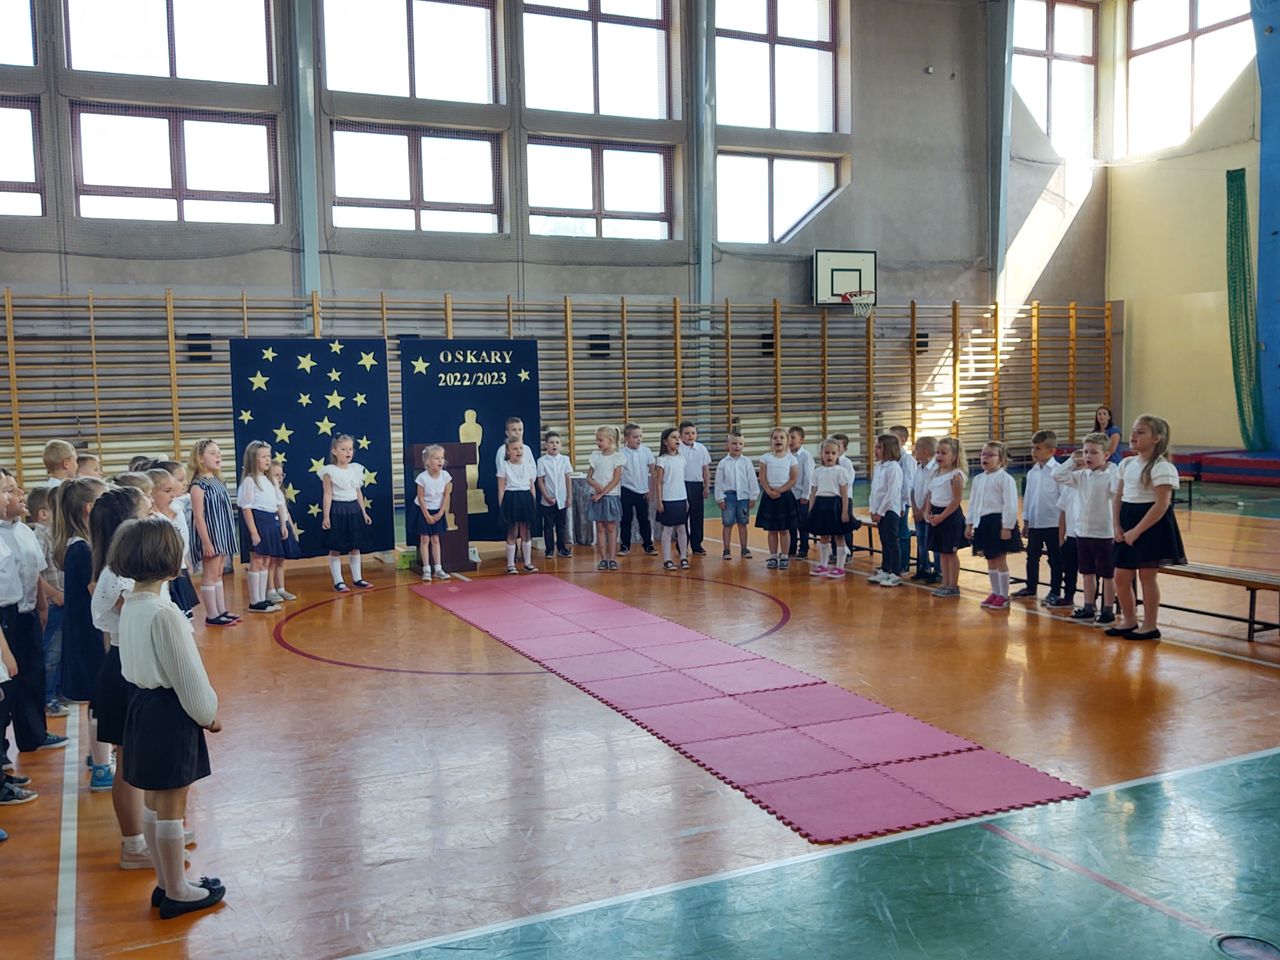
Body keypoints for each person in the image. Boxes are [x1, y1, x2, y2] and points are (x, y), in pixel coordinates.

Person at [113, 517, 225, 920]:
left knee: (154, 800)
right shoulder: (165, 613)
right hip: (168, 712)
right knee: (173, 803)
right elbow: (187, 676)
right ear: (168, 559)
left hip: (141, 706)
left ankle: (165, 882)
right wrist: (207, 714)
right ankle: (178, 890)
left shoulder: (131, 605)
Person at [89, 486, 160, 868]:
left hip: (134, 663)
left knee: (143, 755)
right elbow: (139, 620)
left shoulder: (126, 568)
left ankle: (154, 829)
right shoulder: (118, 575)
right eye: (146, 510)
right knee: (129, 760)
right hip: (127, 667)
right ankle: (133, 844)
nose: (154, 513)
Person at [52, 477, 113, 786]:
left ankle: (97, 754)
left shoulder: (80, 546)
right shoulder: (82, 549)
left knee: (97, 700)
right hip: (90, 635)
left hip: (86, 631)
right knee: (100, 700)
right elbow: (97, 591)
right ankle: (102, 768)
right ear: (91, 508)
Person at [0, 473, 65, 757]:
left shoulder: (25, 531)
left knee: (32, 674)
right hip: (6, 615)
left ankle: (33, 734)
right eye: (9, 491)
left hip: (27, 612)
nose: (18, 495)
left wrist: (42, 605)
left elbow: (36, 573)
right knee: (7, 681)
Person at [1109, 415, 1186, 641]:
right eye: (1133, 431)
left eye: (1141, 432)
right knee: (1121, 577)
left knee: (1146, 576)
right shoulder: (1126, 464)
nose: (1133, 435)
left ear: (1156, 438)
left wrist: (1137, 531)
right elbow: (1118, 497)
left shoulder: (1162, 467)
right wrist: (1116, 525)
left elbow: (1161, 505)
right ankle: (1129, 619)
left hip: (1151, 525)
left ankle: (1150, 625)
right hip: (1127, 520)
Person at [1055, 432, 1119, 626]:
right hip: (1083, 532)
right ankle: (1088, 607)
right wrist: (1072, 460)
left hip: (1104, 533)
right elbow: (1056, 475)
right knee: (1087, 572)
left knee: (1107, 574)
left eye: (1094, 452)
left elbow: (1118, 488)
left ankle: (1108, 609)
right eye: (1085, 452)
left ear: (1106, 455)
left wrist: (1111, 467)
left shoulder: (1110, 475)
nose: (1088, 456)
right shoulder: (1081, 476)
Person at [187, 440, 241, 623]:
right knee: (210, 574)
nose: (218, 456)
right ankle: (212, 615)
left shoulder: (218, 481)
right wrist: (206, 542)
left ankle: (221, 610)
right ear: (200, 459)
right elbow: (198, 516)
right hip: (211, 535)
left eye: (219, 452)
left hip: (222, 533)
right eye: (212, 453)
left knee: (218, 573)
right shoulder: (198, 485)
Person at [966, 441, 1022, 610]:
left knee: (999, 559)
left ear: (1001, 459)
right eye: (983, 454)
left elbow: (1010, 504)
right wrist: (970, 524)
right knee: (990, 559)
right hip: (983, 523)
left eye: (991, 455)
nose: (986, 458)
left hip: (998, 522)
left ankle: (1004, 595)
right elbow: (973, 503)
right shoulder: (978, 479)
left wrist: (1007, 526)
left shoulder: (1005, 479)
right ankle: (995, 592)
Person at [27, 486, 68, 716]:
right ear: (43, 514)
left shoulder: (54, 534)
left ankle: (57, 691)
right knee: (50, 653)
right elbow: (36, 574)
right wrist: (54, 594)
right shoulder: (40, 537)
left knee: (59, 651)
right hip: (52, 604)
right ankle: (47, 697)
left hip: (60, 603)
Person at [1013, 430, 1063, 604]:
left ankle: (1055, 590)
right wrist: (1026, 521)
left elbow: (1063, 500)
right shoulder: (1032, 472)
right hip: (1035, 522)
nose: (1033, 451)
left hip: (1053, 523)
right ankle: (1030, 587)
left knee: (1055, 559)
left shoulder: (1058, 471)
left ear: (1051, 451)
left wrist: (1063, 526)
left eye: (1038, 448)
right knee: (1032, 556)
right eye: (1032, 448)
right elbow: (1028, 498)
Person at [319, 434, 374, 592]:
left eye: (350, 449)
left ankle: (357, 578)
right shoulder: (329, 471)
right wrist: (326, 516)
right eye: (343, 449)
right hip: (338, 510)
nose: (348, 452)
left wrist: (363, 512)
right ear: (334, 451)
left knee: (355, 546)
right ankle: (338, 581)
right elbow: (327, 494)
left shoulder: (356, 469)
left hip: (354, 510)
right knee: (335, 546)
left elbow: (358, 493)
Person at [237, 441, 285, 613]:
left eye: (269, 456)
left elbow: (278, 503)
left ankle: (263, 599)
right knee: (257, 561)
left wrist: (282, 524)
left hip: (270, 522)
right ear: (253, 459)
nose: (267, 460)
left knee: (266, 561)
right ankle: (254, 601)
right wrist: (253, 532)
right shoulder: (250, 481)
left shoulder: (269, 480)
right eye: (263, 456)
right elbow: (246, 508)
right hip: (258, 522)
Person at [147, 468, 199, 617]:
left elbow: (182, 538)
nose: (172, 495)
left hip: (179, 566)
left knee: (186, 614)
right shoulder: (153, 519)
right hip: (167, 572)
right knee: (176, 614)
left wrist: (185, 559)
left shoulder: (173, 510)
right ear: (152, 493)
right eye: (167, 491)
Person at [923, 437, 968, 598]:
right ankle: (945, 583)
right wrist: (927, 513)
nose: (939, 456)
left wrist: (941, 517)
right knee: (942, 552)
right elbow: (930, 495)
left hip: (950, 516)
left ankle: (952, 585)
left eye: (943, 453)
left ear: (954, 456)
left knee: (950, 553)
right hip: (936, 515)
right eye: (937, 452)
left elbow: (956, 500)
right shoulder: (935, 473)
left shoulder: (956, 475)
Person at [805, 438, 853, 579]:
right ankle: (823, 565)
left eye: (833, 453)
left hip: (835, 505)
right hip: (821, 505)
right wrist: (811, 510)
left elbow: (844, 494)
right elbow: (813, 492)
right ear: (821, 454)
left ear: (838, 454)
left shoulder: (841, 471)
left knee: (838, 535)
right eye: (826, 453)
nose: (830, 456)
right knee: (824, 536)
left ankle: (840, 567)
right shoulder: (818, 471)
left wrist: (845, 511)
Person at [756, 428, 799, 569]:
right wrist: (769, 491)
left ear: (787, 441)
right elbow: (762, 477)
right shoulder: (765, 458)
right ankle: (773, 556)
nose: (778, 440)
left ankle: (785, 556)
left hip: (784, 497)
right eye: (775, 438)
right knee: (772, 530)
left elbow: (793, 479)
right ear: (771, 441)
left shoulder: (791, 459)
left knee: (785, 529)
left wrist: (779, 490)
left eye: (782, 437)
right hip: (769, 496)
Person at [714, 430, 759, 560]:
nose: (737, 446)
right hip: (728, 498)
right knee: (727, 524)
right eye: (734, 443)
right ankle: (726, 549)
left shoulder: (747, 462)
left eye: (740, 444)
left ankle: (744, 548)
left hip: (743, 498)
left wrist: (753, 496)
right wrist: (719, 498)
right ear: (728, 445)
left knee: (742, 523)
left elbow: (752, 479)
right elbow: (718, 482)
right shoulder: (723, 463)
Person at [868, 433, 905, 587]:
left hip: (889, 511)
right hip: (879, 510)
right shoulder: (879, 467)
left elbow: (892, 493)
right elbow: (874, 490)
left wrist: (880, 512)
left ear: (888, 449)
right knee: (884, 541)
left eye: (879, 447)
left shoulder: (894, 468)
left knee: (892, 541)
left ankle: (896, 572)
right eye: (875, 447)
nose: (875, 450)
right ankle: (885, 569)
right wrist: (873, 509)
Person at [587, 425, 626, 572]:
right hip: (597, 496)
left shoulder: (617, 457)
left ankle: (612, 558)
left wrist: (601, 493)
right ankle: (603, 558)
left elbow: (616, 479)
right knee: (600, 527)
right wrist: (595, 485)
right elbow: (589, 477)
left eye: (600, 440)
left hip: (610, 496)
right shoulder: (595, 456)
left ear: (610, 440)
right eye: (597, 440)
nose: (597, 443)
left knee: (611, 527)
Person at [498, 437, 539, 574]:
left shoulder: (528, 466)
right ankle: (511, 564)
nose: (518, 451)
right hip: (511, 498)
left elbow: (532, 486)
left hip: (525, 498)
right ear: (508, 451)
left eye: (520, 448)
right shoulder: (504, 466)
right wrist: (502, 506)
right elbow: (501, 488)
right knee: (512, 531)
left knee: (526, 531)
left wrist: (533, 502)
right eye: (515, 449)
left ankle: (527, 563)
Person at [653, 428, 690, 570]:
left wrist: (686, 499)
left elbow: (681, 480)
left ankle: (683, 557)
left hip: (681, 498)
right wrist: (659, 501)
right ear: (665, 442)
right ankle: (667, 559)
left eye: (678, 437)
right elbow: (658, 482)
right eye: (674, 437)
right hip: (668, 499)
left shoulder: (681, 459)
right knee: (667, 529)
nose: (677, 440)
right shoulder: (662, 460)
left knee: (682, 528)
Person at [414, 445, 453, 581]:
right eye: (437, 458)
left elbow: (446, 495)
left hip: (437, 510)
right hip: (424, 510)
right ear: (428, 461)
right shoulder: (422, 478)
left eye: (442, 458)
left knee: (435, 539)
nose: (440, 461)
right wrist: (427, 515)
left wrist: (441, 512)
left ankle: (438, 568)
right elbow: (420, 497)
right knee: (425, 539)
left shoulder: (445, 476)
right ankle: (426, 569)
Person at [618, 424, 655, 556]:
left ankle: (648, 544)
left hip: (642, 491)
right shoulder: (621, 453)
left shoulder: (646, 451)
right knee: (626, 520)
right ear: (627, 438)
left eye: (640, 436)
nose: (639, 439)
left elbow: (653, 471)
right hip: (626, 490)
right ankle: (624, 545)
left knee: (644, 519)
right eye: (635, 437)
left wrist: (651, 490)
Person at [267, 463, 301, 600]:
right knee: (272, 561)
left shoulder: (280, 491)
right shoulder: (269, 492)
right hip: (275, 526)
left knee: (281, 560)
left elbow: (286, 512)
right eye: (276, 475)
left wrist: (291, 528)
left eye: (282, 475)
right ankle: (271, 590)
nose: (280, 478)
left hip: (284, 525)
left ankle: (281, 589)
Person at [536, 433, 572, 560]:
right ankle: (549, 550)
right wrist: (546, 496)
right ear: (546, 445)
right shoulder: (542, 461)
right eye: (551, 442)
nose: (554, 445)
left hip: (562, 498)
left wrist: (569, 496)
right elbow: (540, 480)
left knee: (561, 525)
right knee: (548, 526)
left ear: (560, 445)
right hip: (548, 499)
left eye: (557, 442)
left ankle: (562, 548)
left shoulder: (565, 460)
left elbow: (568, 479)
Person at [677, 421, 711, 556]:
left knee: (697, 516)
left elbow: (705, 469)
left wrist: (707, 486)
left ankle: (697, 545)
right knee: (682, 516)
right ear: (680, 435)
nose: (690, 436)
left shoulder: (701, 449)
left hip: (697, 486)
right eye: (687, 433)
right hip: (681, 485)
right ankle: (682, 545)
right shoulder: (677, 449)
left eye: (693, 433)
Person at [909, 436, 940, 583]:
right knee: (921, 541)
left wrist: (923, 511)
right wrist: (915, 509)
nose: (914, 452)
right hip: (919, 511)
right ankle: (924, 568)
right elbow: (913, 490)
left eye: (917, 449)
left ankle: (938, 571)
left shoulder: (935, 469)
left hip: (929, 512)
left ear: (926, 451)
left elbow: (931, 492)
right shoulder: (919, 468)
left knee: (933, 542)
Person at [889, 426, 915, 575]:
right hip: (890, 502)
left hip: (901, 503)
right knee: (891, 533)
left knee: (902, 532)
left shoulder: (907, 459)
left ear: (903, 440)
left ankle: (903, 564)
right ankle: (891, 563)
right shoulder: (890, 458)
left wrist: (902, 504)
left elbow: (907, 483)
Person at [786, 426, 815, 559]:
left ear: (801, 440)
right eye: (788, 438)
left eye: (793, 437)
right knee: (790, 524)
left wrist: (805, 495)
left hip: (801, 495)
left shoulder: (806, 456)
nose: (790, 440)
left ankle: (803, 548)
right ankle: (791, 548)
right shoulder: (786, 455)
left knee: (802, 523)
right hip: (788, 495)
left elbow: (809, 477)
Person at [1055, 481, 1080, 611]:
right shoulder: (1068, 486)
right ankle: (1068, 597)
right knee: (1069, 569)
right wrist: (1061, 536)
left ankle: (1091, 602)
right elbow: (1063, 512)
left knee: (1091, 571)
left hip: (1088, 535)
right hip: (1070, 535)